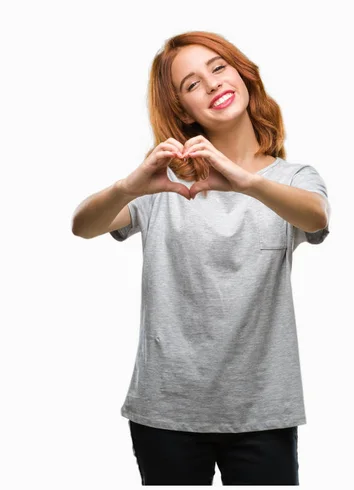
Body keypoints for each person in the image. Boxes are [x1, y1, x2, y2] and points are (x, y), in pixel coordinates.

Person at [71, 30, 331, 485]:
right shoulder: (164, 183)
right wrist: (129, 187)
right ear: (183, 111)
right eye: (191, 85)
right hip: (165, 412)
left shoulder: (294, 179)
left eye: (218, 68)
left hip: (263, 412)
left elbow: (315, 217)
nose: (211, 85)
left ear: (243, 74)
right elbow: (83, 225)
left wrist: (248, 181)